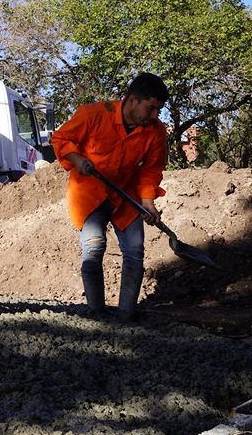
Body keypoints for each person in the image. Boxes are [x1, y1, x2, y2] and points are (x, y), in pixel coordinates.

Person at [50, 73, 170, 321]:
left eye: (158, 110)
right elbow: (61, 138)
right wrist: (76, 158)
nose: (155, 116)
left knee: (135, 252)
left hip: (126, 195)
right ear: (133, 101)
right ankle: (96, 313)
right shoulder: (94, 114)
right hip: (90, 193)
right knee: (94, 247)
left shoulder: (155, 132)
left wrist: (147, 201)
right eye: (151, 109)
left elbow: (151, 169)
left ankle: (126, 316)